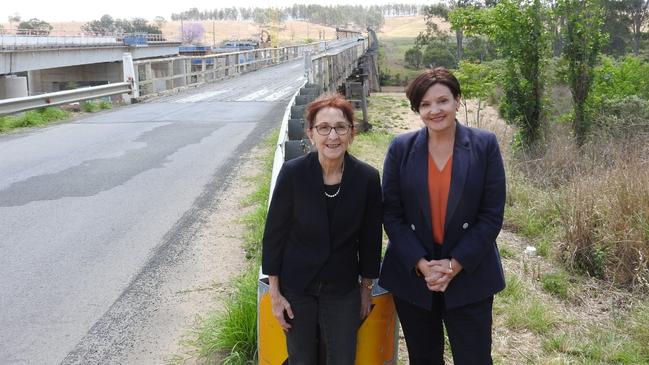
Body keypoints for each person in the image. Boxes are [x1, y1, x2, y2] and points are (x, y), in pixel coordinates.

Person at [378, 67, 506, 365]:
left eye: (442, 101)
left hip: (469, 273)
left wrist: (454, 265)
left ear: (457, 101)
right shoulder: (401, 148)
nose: (434, 110)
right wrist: (423, 265)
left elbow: (491, 216)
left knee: (474, 358)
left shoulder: (484, 145)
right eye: (425, 104)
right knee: (423, 359)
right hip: (414, 275)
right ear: (417, 109)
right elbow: (392, 214)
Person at [262, 93, 383, 365]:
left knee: (342, 358)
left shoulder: (367, 178)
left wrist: (366, 288)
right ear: (310, 133)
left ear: (351, 133)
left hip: (342, 289)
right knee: (301, 359)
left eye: (341, 127)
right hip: (297, 288)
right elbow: (274, 234)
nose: (333, 136)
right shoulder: (293, 173)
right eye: (323, 128)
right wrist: (275, 293)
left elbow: (371, 237)